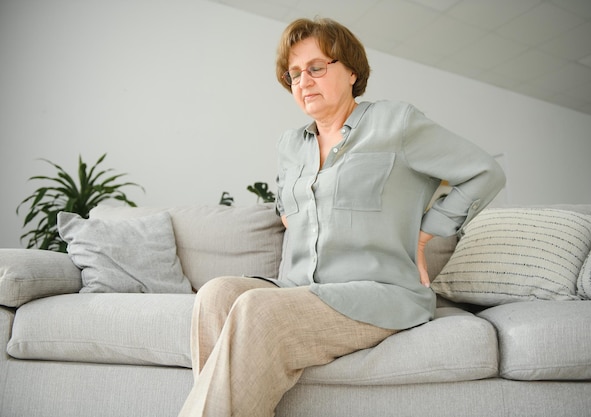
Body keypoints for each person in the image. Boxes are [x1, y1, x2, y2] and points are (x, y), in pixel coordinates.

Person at [178, 17, 505, 417]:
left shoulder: (395, 123)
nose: (303, 80)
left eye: (316, 67)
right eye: (294, 73)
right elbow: (288, 207)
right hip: (296, 289)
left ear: (351, 71)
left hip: (377, 293)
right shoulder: (290, 144)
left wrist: (425, 234)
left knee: (256, 309)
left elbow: (484, 172)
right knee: (215, 295)